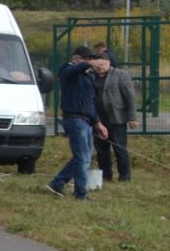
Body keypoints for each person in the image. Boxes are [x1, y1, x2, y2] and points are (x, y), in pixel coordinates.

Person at [46, 46, 108, 201]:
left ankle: (58, 183)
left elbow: (89, 103)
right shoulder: (67, 71)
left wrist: (98, 123)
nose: (90, 63)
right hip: (74, 119)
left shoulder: (87, 78)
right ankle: (80, 193)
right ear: (77, 58)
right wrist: (88, 64)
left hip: (86, 121)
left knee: (84, 157)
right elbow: (75, 71)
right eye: (87, 59)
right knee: (82, 157)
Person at [93, 44, 136, 183]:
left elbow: (130, 97)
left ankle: (124, 176)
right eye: (97, 64)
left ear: (108, 63)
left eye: (102, 64)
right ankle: (106, 176)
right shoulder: (90, 76)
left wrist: (132, 118)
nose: (100, 67)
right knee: (101, 149)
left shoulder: (120, 75)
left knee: (119, 148)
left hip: (117, 118)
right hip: (98, 119)